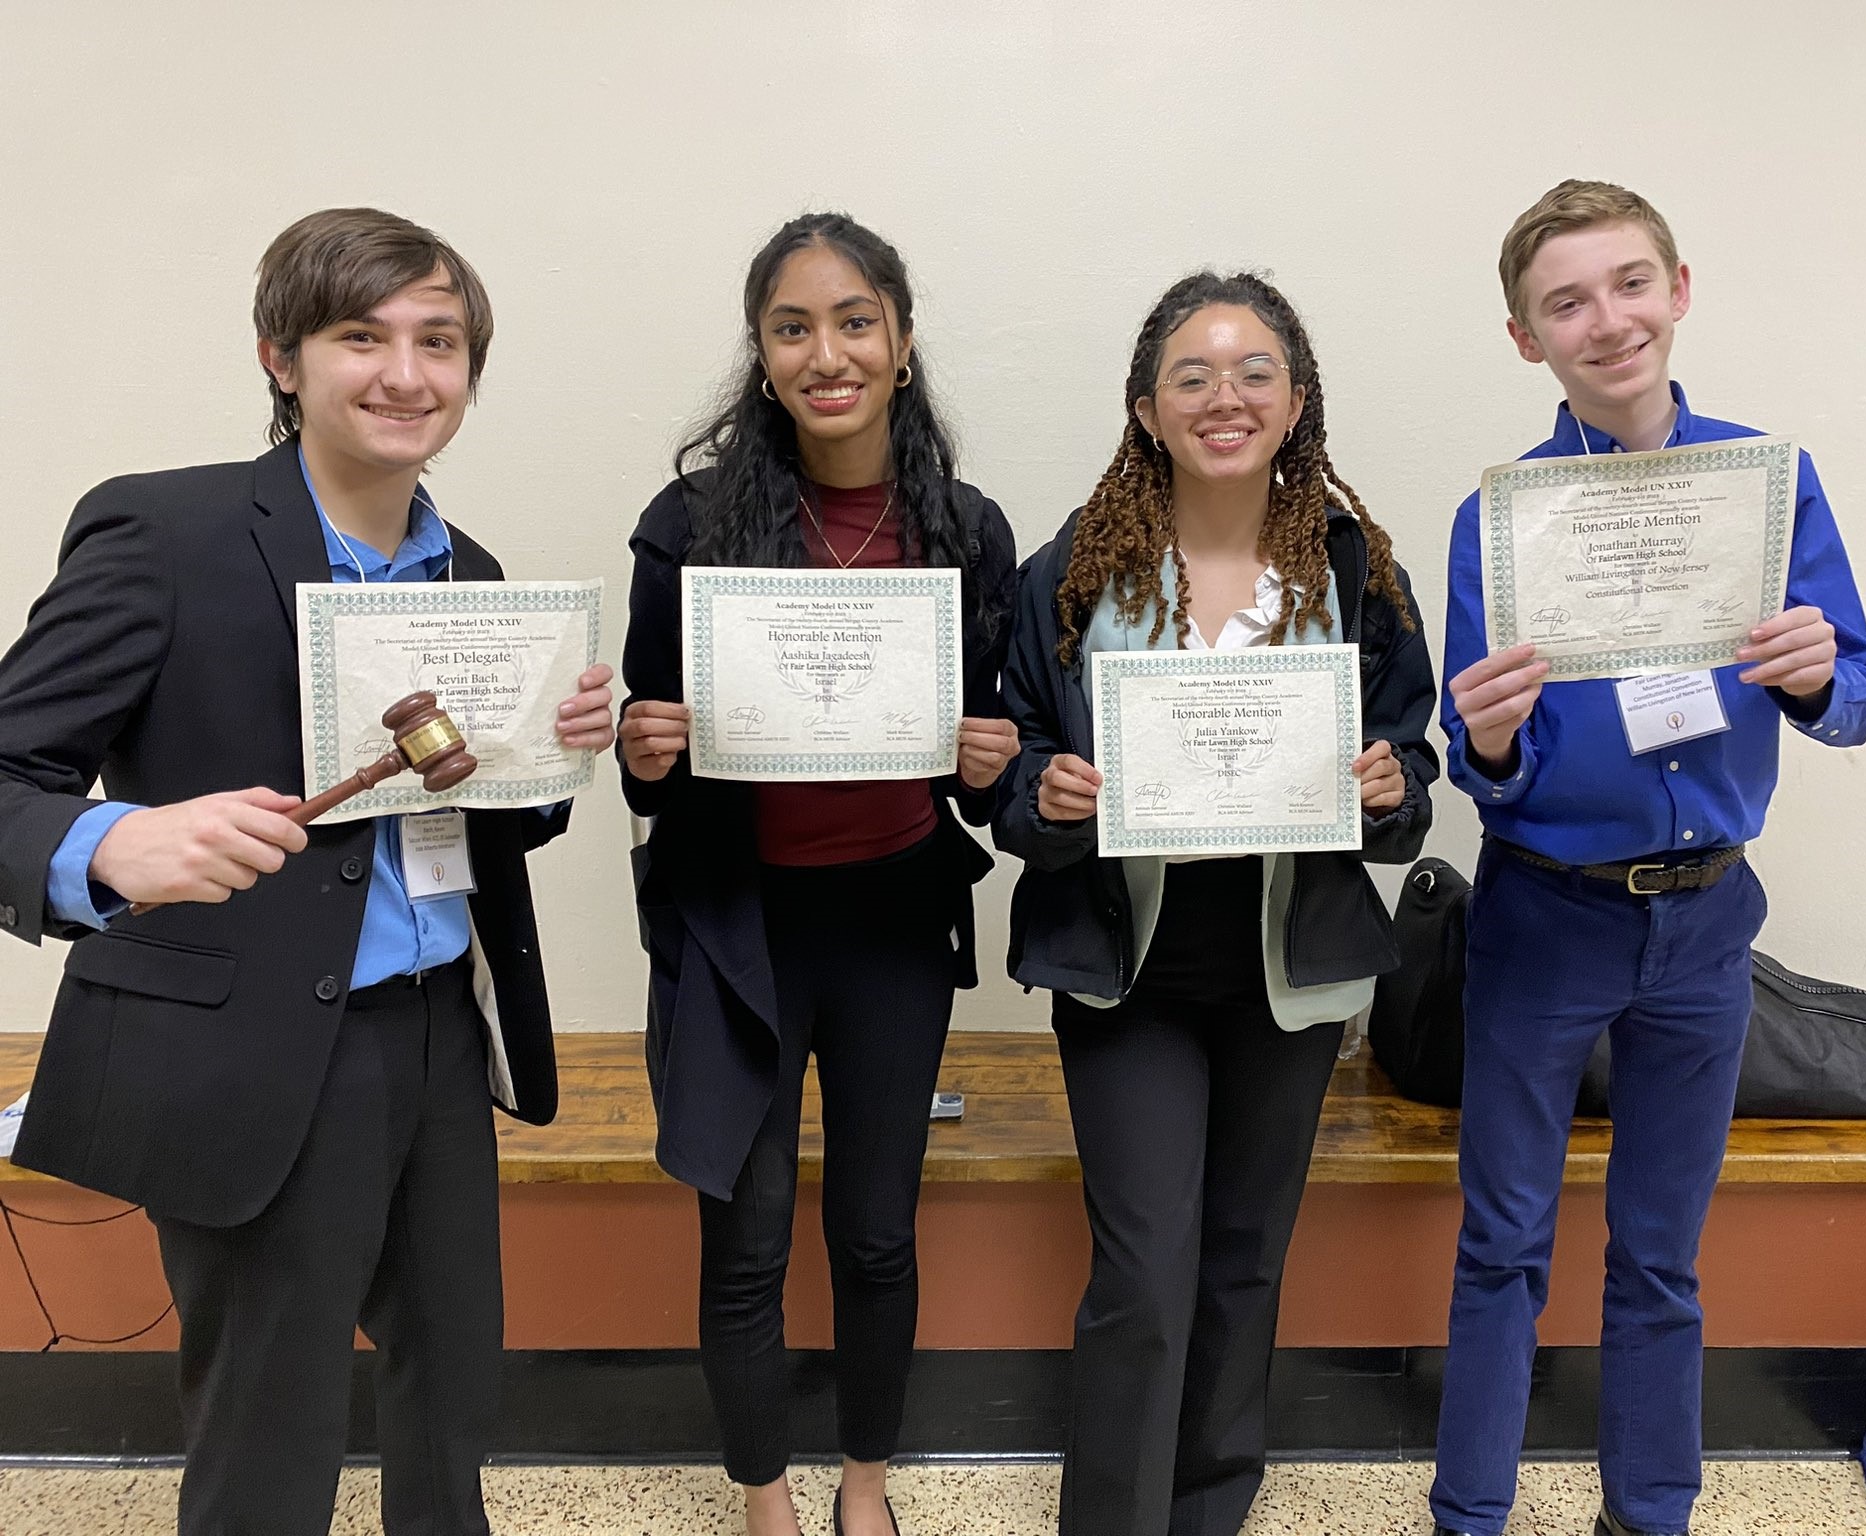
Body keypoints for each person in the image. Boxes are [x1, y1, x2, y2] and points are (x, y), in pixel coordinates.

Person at [0, 207, 616, 1535]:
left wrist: (548, 764)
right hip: (258, 1051)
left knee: (453, 1393)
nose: (408, 374)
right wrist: (114, 842)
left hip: (440, 1031)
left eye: (440, 341)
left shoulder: (478, 576)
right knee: (271, 1425)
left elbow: (471, 834)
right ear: (283, 358)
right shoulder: (166, 533)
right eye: (363, 337)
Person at [1429, 180, 1866, 1536]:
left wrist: (1814, 679)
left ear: (1679, 289)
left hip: (1704, 924)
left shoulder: (1769, 486)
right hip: (1545, 920)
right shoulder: (1497, 521)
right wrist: (1493, 740)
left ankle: (1653, 1514)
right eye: (1567, 301)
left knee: (1662, 1259)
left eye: (1630, 284)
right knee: (1503, 1242)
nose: (1607, 320)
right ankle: (1469, 1515)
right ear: (1527, 340)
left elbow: (1858, 694)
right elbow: (1477, 765)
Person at [996, 271, 1439, 1536]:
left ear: (1295, 402)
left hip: (1286, 976)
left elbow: (1410, 772)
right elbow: (1009, 770)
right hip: (1124, 973)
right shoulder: (1073, 572)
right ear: (1145, 408)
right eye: (1191, 376)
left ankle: (1209, 1511)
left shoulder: (1354, 575)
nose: (1223, 396)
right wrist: (1050, 791)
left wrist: (1382, 784)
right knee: (1142, 1274)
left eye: (1253, 372)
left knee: (1244, 1264)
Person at [615, 211, 1019, 1536]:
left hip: (893, 921)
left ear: (902, 345)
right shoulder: (688, 527)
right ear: (763, 352)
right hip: (741, 925)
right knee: (745, 1236)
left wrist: (986, 761)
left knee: (876, 1232)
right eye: (795, 327)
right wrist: (646, 742)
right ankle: (764, 1498)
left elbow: (995, 755)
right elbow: (644, 745)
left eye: (856, 322)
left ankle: (863, 1487)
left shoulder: (964, 528)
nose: (826, 350)